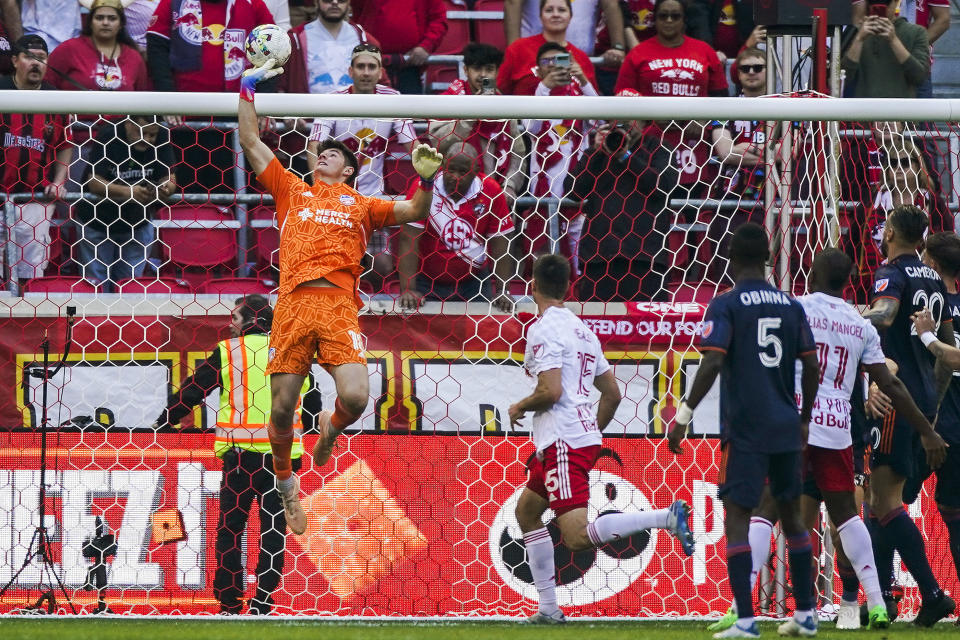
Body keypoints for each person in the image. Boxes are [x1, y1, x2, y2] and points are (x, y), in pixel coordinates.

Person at [236, 55, 443, 534]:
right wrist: (246, 88)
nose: (322, 155)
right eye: (320, 152)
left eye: (333, 154)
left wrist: (426, 178)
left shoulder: (361, 203)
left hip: (336, 307)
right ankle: (288, 488)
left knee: (355, 396)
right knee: (283, 409)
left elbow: (414, 209)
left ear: (350, 170)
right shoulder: (292, 189)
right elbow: (250, 139)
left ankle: (330, 429)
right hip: (291, 304)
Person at [707, 248, 946, 633]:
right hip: (838, 427)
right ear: (848, 282)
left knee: (766, 508)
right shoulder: (860, 324)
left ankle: (740, 608)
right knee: (847, 515)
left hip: (794, 420)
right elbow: (892, 383)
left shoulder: (795, 308)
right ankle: (877, 602)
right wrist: (926, 429)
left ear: (812, 274)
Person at [508, 254, 694, 624]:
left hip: (563, 440)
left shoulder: (543, 328)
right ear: (568, 287)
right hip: (578, 438)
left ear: (533, 286)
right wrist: (589, 432)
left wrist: (520, 406)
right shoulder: (582, 329)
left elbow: (550, 390)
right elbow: (612, 394)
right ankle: (547, 609)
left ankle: (666, 518)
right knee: (527, 512)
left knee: (575, 537)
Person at [668, 223, 821, 639]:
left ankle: (748, 623)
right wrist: (804, 416)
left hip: (747, 429)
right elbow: (811, 364)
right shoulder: (792, 305)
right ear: (769, 256)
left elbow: (713, 362)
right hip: (788, 426)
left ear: (730, 258)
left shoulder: (726, 304)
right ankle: (806, 615)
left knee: (738, 515)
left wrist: (682, 417)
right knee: (792, 517)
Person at [154, 295, 322, 615]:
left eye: (235, 318)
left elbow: (194, 390)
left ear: (249, 321)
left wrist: (166, 419)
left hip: (241, 458)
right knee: (273, 530)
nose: (230, 324)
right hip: (282, 459)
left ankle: (229, 601)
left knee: (231, 528)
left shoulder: (229, 352)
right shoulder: (295, 351)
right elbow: (313, 407)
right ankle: (263, 600)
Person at [860, 204, 957, 627]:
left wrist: (837, 316)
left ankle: (924, 594)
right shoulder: (935, 279)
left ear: (892, 232)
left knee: (881, 501)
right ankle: (881, 599)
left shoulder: (891, 273)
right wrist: (931, 407)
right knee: (883, 502)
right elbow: (948, 351)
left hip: (894, 397)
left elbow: (884, 315)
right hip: (921, 402)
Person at [306, 44, 418, 290]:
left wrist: (428, 168)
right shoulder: (333, 101)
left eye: (371, 67)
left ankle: (360, 298)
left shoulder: (393, 100)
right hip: (336, 200)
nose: (366, 72)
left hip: (371, 200)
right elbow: (313, 146)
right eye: (360, 67)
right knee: (333, 264)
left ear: (380, 72)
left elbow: (412, 145)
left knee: (383, 266)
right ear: (350, 70)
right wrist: (322, 191)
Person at [146, 0, 276, 192]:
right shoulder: (172, 3)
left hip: (239, 116)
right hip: (184, 119)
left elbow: (272, 52)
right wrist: (169, 99)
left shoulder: (253, 4)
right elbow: (157, 49)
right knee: (188, 193)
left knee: (236, 193)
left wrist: (263, 105)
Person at [615, 0, 727, 203]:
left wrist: (703, 122)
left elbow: (722, 98)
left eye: (675, 16)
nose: (668, 20)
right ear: (654, 20)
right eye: (662, 15)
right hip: (651, 144)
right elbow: (622, 96)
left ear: (684, 20)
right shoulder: (638, 54)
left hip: (694, 145)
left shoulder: (704, 51)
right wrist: (647, 116)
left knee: (692, 212)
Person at [396, 143, 515, 312]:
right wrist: (408, 289)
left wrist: (504, 291)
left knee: (481, 333)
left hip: (475, 282)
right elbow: (408, 239)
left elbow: (501, 243)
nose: (455, 177)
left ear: (475, 172)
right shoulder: (423, 188)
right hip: (427, 281)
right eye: (451, 170)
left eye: (463, 172)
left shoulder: (491, 191)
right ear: (442, 167)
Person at [907, 233, 960, 610]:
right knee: (952, 512)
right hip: (944, 423)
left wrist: (926, 335)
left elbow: (949, 358)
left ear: (934, 266)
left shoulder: (928, 310)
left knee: (885, 502)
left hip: (934, 423)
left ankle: (892, 593)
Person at [567, 121, 676, 302]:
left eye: (629, 119)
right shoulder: (599, 153)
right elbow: (573, 191)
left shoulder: (660, 148)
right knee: (597, 325)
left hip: (644, 259)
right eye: (616, 120)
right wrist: (595, 151)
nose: (622, 125)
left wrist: (625, 156)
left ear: (644, 123)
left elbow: (662, 187)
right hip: (599, 258)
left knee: (647, 325)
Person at [0, 35, 73, 286]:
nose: (36, 64)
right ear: (14, 60)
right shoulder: (1, 91)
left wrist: (58, 181)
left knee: (27, 275)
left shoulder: (57, 100)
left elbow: (65, 146)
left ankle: (25, 323)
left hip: (35, 199)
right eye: (29, 57)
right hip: (0, 193)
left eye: (41, 59)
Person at [518, 42, 596, 275]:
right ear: (538, 69)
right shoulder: (532, 95)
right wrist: (545, 88)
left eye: (559, 61)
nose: (553, 66)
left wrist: (583, 80)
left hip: (577, 193)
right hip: (542, 196)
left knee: (580, 265)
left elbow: (601, 120)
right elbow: (531, 126)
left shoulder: (580, 98)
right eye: (547, 62)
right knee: (544, 265)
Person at [74, 116, 177, 290]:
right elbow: (94, 182)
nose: (147, 139)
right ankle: (97, 318)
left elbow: (170, 177)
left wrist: (166, 188)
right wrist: (129, 193)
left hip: (137, 222)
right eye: (141, 132)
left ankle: (124, 319)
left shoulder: (161, 135)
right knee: (96, 286)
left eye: (151, 135)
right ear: (128, 124)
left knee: (130, 288)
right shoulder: (109, 133)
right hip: (97, 221)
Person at [427, 43, 526, 207]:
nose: (483, 75)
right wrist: (470, 113)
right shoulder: (449, 101)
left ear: (497, 71)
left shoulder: (505, 105)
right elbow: (439, 144)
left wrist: (510, 186)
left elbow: (518, 153)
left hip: (497, 197)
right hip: (454, 196)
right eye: (477, 69)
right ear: (465, 70)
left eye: (489, 69)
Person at [852, 0, 950, 99]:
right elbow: (858, 20)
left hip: (916, 64)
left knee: (920, 112)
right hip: (875, 66)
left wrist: (914, 45)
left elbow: (943, 19)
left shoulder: (917, 35)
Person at [497, 0, 597, 97]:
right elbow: (499, 91)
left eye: (562, 10)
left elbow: (595, 103)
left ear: (570, 16)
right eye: (549, 10)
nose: (556, 14)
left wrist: (582, 79)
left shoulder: (582, 57)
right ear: (540, 16)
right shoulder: (518, 49)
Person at [46, 0, 150, 92]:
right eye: (99, 18)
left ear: (121, 24)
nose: (105, 23)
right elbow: (46, 86)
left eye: (112, 18)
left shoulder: (134, 57)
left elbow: (142, 98)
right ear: (90, 22)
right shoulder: (69, 49)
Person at [283, 0, 380, 96]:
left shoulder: (365, 39)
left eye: (341, 0)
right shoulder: (295, 39)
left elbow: (381, 84)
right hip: (310, 109)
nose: (335, 2)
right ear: (316, 2)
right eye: (327, 0)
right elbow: (282, 86)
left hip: (355, 108)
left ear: (349, 2)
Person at [350, 0, 447, 94]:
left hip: (409, 67)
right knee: (365, 108)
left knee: (410, 110)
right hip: (368, 65)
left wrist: (426, 46)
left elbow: (438, 19)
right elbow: (345, 10)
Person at [505, 0, 627, 61]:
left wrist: (618, 47)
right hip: (532, 57)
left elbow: (611, 3)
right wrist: (514, 51)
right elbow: (512, 3)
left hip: (582, 58)